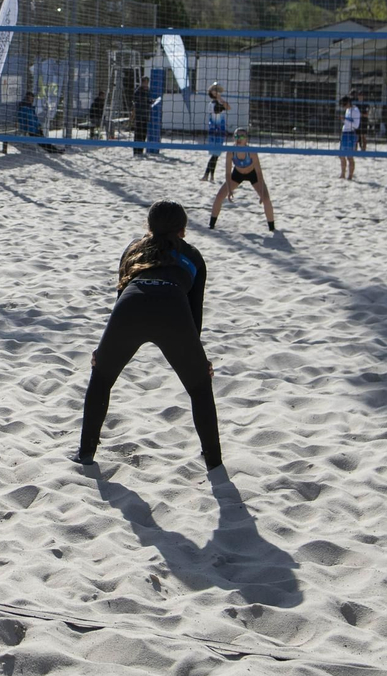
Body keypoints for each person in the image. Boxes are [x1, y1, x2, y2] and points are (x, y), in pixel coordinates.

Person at [75, 200, 222, 471]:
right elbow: (194, 312)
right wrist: (198, 358)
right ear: (183, 230)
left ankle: (85, 453)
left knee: (102, 378)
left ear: (149, 226)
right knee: (200, 388)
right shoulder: (193, 255)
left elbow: (120, 296)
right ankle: (214, 462)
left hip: (130, 308)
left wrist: (103, 348)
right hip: (173, 310)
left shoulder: (133, 249)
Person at [209, 128, 275, 231]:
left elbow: (259, 172)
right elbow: (227, 172)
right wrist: (230, 190)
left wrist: (262, 192)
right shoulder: (231, 152)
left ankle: (272, 228)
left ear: (246, 139)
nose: (238, 139)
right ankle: (211, 225)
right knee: (219, 196)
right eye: (236, 136)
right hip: (237, 174)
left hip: (253, 174)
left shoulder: (252, 152)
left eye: (242, 136)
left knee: (266, 199)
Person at [202, 82, 229, 181]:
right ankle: (207, 175)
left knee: (216, 155)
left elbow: (228, 107)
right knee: (215, 154)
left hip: (220, 131)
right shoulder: (212, 104)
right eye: (215, 90)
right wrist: (220, 100)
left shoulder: (219, 102)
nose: (217, 92)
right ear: (211, 92)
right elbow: (219, 109)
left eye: (218, 90)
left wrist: (221, 99)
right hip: (214, 131)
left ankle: (210, 176)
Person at [339, 96, 360, 180]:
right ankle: (342, 174)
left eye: (344, 105)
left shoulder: (355, 111)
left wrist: (344, 120)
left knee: (350, 156)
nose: (343, 107)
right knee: (341, 155)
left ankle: (350, 176)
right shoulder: (348, 110)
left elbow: (356, 125)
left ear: (348, 103)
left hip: (351, 134)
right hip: (344, 132)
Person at [132, 76, 154, 158]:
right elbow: (138, 102)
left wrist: (151, 101)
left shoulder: (147, 90)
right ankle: (136, 151)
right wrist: (148, 102)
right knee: (138, 134)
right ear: (142, 82)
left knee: (143, 134)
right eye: (145, 82)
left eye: (147, 82)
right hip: (139, 116)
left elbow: (147, 100)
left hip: (145, 115)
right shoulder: (138, 91)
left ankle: (140, 151)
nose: (146, 84)